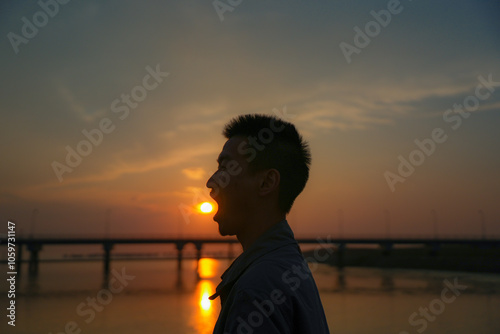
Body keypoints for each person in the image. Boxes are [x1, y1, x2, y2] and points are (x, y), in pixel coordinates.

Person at [206, 114, 330, 333]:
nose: (211, 182)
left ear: (266, 182)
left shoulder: (255, 290)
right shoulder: (289, 267)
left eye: (225, 168)